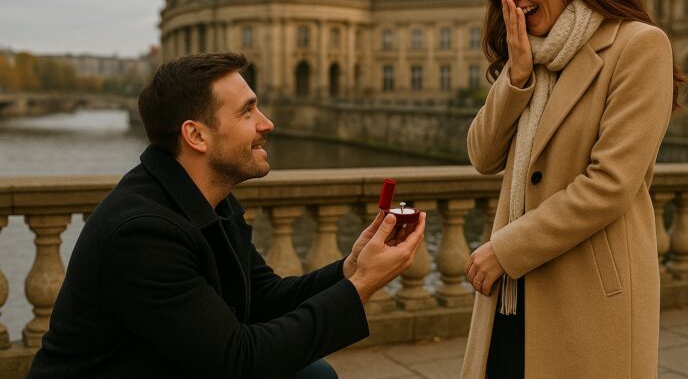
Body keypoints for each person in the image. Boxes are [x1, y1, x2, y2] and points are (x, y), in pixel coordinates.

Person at [28, 53, 425, 379]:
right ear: (196, 136)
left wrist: (351, 269)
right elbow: (240, 362)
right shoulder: (142, 234)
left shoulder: (207, 198)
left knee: (314, 375)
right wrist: (364, 286)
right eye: (248, 111)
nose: (267, 123)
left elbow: (262, 298)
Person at [460, 0, 684, 379]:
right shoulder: (532, 57)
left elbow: (610, 184)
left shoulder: (639, 46)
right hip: (512, 299)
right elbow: (481, 155)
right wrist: (516, 77)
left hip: (586, 296)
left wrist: (506, 249)